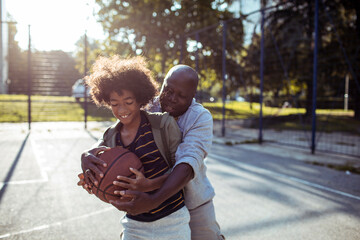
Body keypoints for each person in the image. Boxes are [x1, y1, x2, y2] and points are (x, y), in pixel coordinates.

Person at [80, 64, 224, 240]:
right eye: (168, 90)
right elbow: (113, 138)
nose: (171, 98)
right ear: (162, 85)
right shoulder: (146, 104)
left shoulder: (200, 117)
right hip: (148, 210)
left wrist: (152, 199)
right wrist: (89, 155)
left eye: (181, 95)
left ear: (193, 96)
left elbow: (188, 163)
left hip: (193, 201)